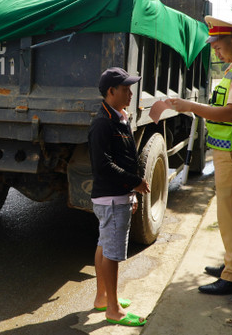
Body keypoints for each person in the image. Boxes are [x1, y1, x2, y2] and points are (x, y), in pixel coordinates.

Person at [166, 16, 232, 295]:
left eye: (219, 46)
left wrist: (191, 107)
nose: (216, 52)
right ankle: (230, 265)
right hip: (230, 150)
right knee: (228, 212)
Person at [88, 67, 151, 326]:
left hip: (116, 197)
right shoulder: (103, 123)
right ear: (111, 92)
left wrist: (130, 192)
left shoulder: (118, 117)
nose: (130, 93)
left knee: (104, 245)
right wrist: (135, 183)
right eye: (126, 89)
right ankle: (113, 310)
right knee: (112, 253)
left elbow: (126, 158)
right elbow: (102, 165)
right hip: (111, 199)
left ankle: (102, 297)